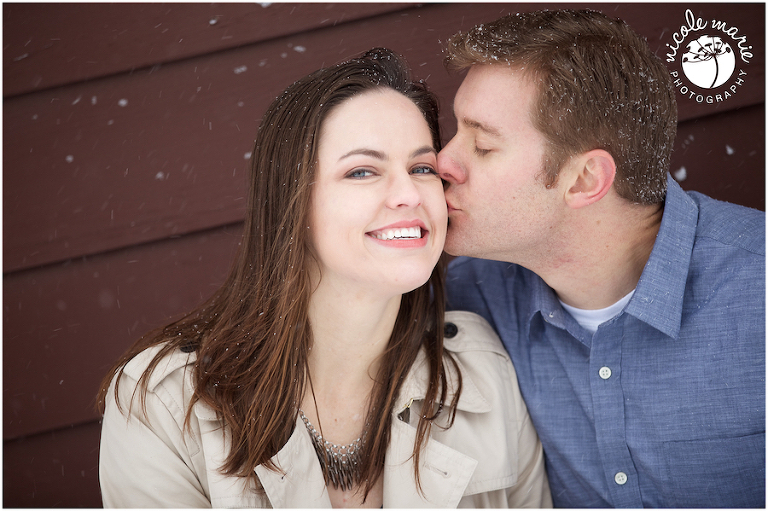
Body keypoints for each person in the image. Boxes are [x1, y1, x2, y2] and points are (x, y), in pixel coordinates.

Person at [96, 48, 551, 508]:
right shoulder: (164, 404)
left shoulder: (483, 374)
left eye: (422, 168)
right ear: (292, 204)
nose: (408, 193)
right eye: (361, 171)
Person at [438, 9, 765, 509]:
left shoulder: (756, 289)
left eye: (482, 145)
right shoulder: (469, 299)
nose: (443, 161)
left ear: (586, 180)